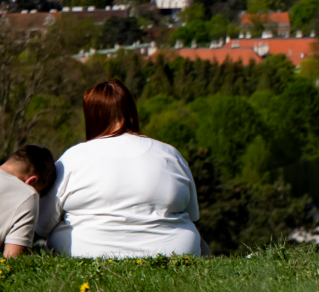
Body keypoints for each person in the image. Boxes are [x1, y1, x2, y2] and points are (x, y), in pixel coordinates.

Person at [47, 79, 203, 257]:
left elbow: (45, 222)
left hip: (87, 255)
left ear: (90, 117)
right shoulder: (170, 154)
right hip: (173, 254)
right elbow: (191, 214)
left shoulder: (72, 158)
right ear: (132, 111)